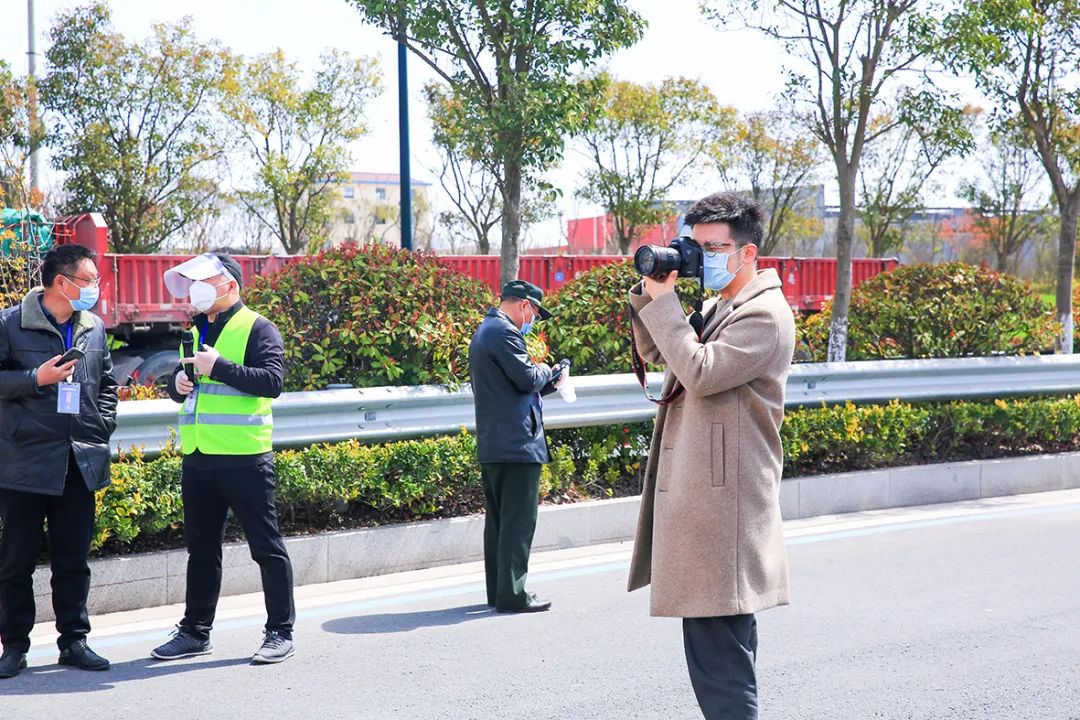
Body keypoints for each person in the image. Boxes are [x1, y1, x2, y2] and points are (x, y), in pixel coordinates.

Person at [626, 191, 796, 719]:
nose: (700, 257)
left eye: (712, 248)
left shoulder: (764, 316)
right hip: (709, 497)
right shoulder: (719, 306)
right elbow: (659, 351)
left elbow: (699, 372)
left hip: (726, 505)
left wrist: (666, 306)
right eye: (693, 245)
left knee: (718, 656)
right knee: (724, 646)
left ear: (747, 252)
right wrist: (653, 293)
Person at [150, 252, 295, 665]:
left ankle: (280, 632)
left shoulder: (259, 328)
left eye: (206, 282)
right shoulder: (195, 329)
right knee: (201, 550)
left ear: (230, 285)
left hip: (245, 457)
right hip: (199, 456)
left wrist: (220, 366)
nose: (197, 290)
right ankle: (195, 632)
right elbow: (186, 388)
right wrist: (177, 385)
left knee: (266, 547)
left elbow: (272, 382)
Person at [0, 244, 118, 678]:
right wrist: (36, 378)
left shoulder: (93, 327)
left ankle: (74, 641)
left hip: (78, 460)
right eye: (89, 280)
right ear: (61, 282)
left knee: (73, 560)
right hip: (24, 462)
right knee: (16, 563)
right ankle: (14, 646)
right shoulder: (10, 324)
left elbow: (107, 384)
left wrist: (100, 427)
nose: (95, 287)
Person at [468, 280, 565, 613]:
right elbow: (527, 378)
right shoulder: (505, 332)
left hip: (496, 442)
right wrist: (547, 368)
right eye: (535, 313)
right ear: (524, 305)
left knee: (499, 523)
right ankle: (513, 595)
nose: (533, 320)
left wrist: (549, 381)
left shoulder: (486, 331)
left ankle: (500, 591)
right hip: (517, 444)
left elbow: (513, 388)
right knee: (518, 523)